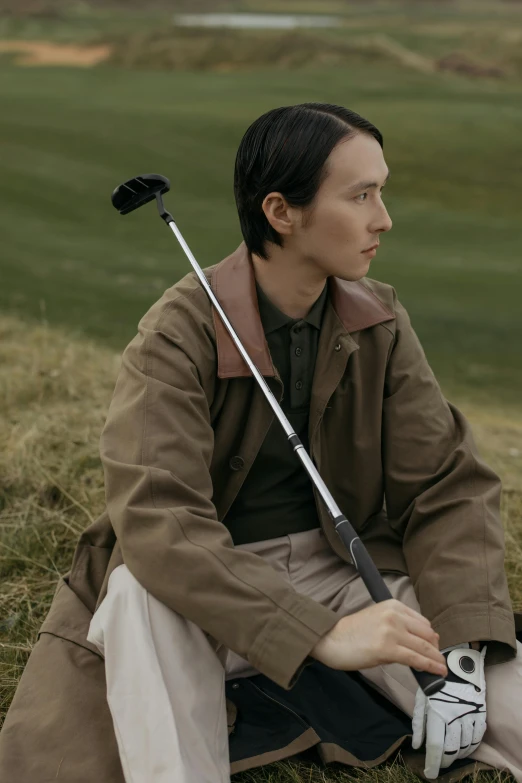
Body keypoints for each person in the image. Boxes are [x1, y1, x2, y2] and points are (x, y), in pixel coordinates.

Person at [1, 103, 521, 783]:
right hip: (190, 586)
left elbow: (447, 485)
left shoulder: (381, 320)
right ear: (281, 212)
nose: (384, 217)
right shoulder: (176, 333)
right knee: (136, 598)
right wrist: (317, 633)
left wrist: (462, 656)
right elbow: (162, 525)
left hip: (339, 570)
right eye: (361, 195)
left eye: (381, 191)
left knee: (508, 702)